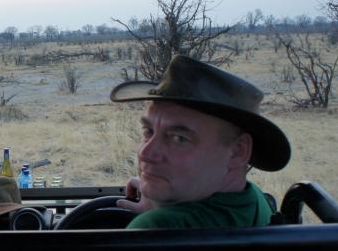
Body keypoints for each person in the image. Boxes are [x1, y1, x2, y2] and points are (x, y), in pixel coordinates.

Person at [110, 55, 291, 229]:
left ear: (238, 151)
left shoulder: (156, 228)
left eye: (179, 139)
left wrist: (157, 218)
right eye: (148, 131)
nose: (145, 153)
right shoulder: (255, 199)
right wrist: (160, 204)